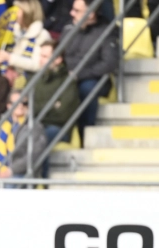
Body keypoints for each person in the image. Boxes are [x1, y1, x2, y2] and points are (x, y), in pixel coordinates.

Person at [63, 0, 118, 142]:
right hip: (67, 75)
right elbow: (60, 56)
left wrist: (79, 74)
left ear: (91, 14)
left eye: (77, 11)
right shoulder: (69, 28)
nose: (71, 13)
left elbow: (108, 63)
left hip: (93, 78)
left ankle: (85, 134)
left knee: (87, 89)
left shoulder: (106, 31)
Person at [0, 91, 46, 182]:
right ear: (8, 106)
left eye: (24, 103)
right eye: (16, 102)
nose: (20, 105)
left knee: (12, 182)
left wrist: (10, 171)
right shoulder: (1, 126)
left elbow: (34, 154)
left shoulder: (35, 127)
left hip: (21, 174)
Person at [33, 40, 79, 151]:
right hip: (36, 126)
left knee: (38, 141)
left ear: (58, 59)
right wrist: (52, 105)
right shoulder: (35, 80)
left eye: (45, 57)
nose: (40, 60)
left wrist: (39, 109)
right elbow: (28, 109)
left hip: (58, 129)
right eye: (40, 56)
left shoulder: (68, 82)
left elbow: (63, 115)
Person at [0, 0, 50, 89]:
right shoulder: (13, 31)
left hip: (31, 81)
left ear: (27, 13)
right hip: (10, 77)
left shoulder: (42, 35)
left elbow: (39, 64)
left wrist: (10, 58)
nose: (13, 13)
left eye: (17, 10)